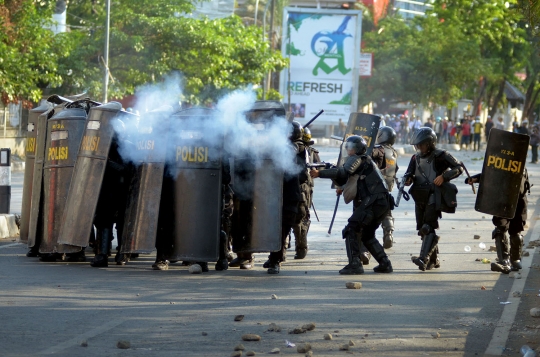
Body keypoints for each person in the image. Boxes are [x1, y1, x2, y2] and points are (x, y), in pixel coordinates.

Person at [310, 136, 394, 275]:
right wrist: (334, 176)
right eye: (348, 146)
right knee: (367, 235)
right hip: (381, 202)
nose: (349, 149)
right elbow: (347, 177)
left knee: (351, 229)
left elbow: (343, 172)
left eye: (352, 147)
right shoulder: (365, 160)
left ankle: (355, 264)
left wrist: (320, 173)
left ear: (359, 149)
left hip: (373, 202)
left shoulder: (359, 158)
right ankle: (384, 263)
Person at [404, 128, 463, 271]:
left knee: (427, 227)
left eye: (421, 145)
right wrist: (408, 179)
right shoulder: (415, 158)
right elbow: (409, 173)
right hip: (419, 197)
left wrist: (444, 177)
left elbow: (458, 168)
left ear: (430, 143)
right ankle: (433, 261)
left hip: (433, 195)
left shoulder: (441, 155)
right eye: (417, 145)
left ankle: (423, 259)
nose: (419, 148)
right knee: (421, 229)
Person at [465, 169, 530, 274]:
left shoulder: (519, 161)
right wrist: (476, 178)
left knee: (515, 231)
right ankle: (504, 261)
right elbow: (496, 171)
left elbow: (497, 172)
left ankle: (514, 260)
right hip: (502, 199)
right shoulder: (507, 159)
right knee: (500, 229)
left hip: (517, 199)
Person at [264, 122, 303, 274]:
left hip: (289, 197)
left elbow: (302, 175)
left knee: (282, 231)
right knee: (275, 230)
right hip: (277, 197)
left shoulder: (296, 149)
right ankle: (274, 256)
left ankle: (275, 261)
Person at [291, 127, 321, 259]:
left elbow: (320, 166)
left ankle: (301, 247)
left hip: (303, 188)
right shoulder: (294, 148)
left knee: (300, 218)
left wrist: (314, 170)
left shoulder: (306, 150)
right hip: (293, 186)